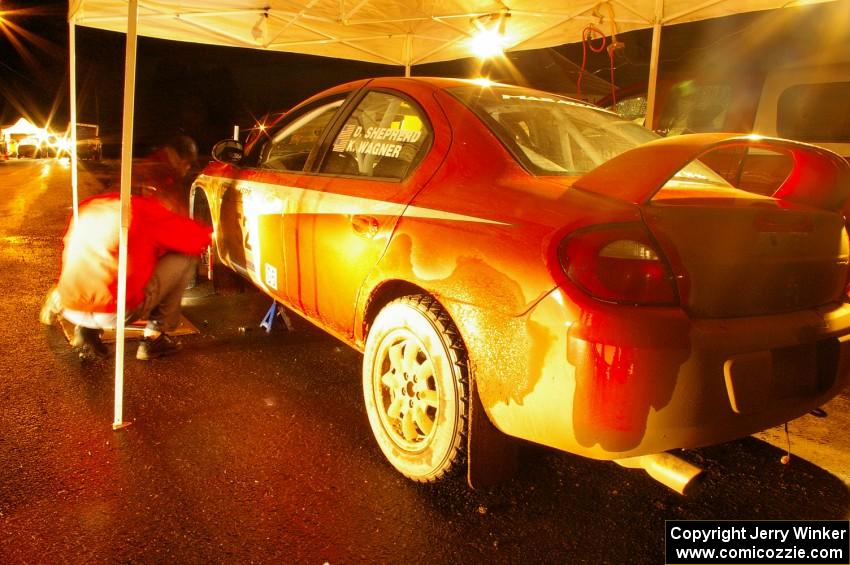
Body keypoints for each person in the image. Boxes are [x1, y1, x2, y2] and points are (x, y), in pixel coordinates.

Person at [40, 189, 212, 361]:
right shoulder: (143, 210)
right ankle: (154, 338)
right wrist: (210, 232)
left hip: (71, 306)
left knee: (100, 267)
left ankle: (85, 330)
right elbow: (194, 239)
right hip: (116, 311)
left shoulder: (89, 206)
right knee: (184, 257)